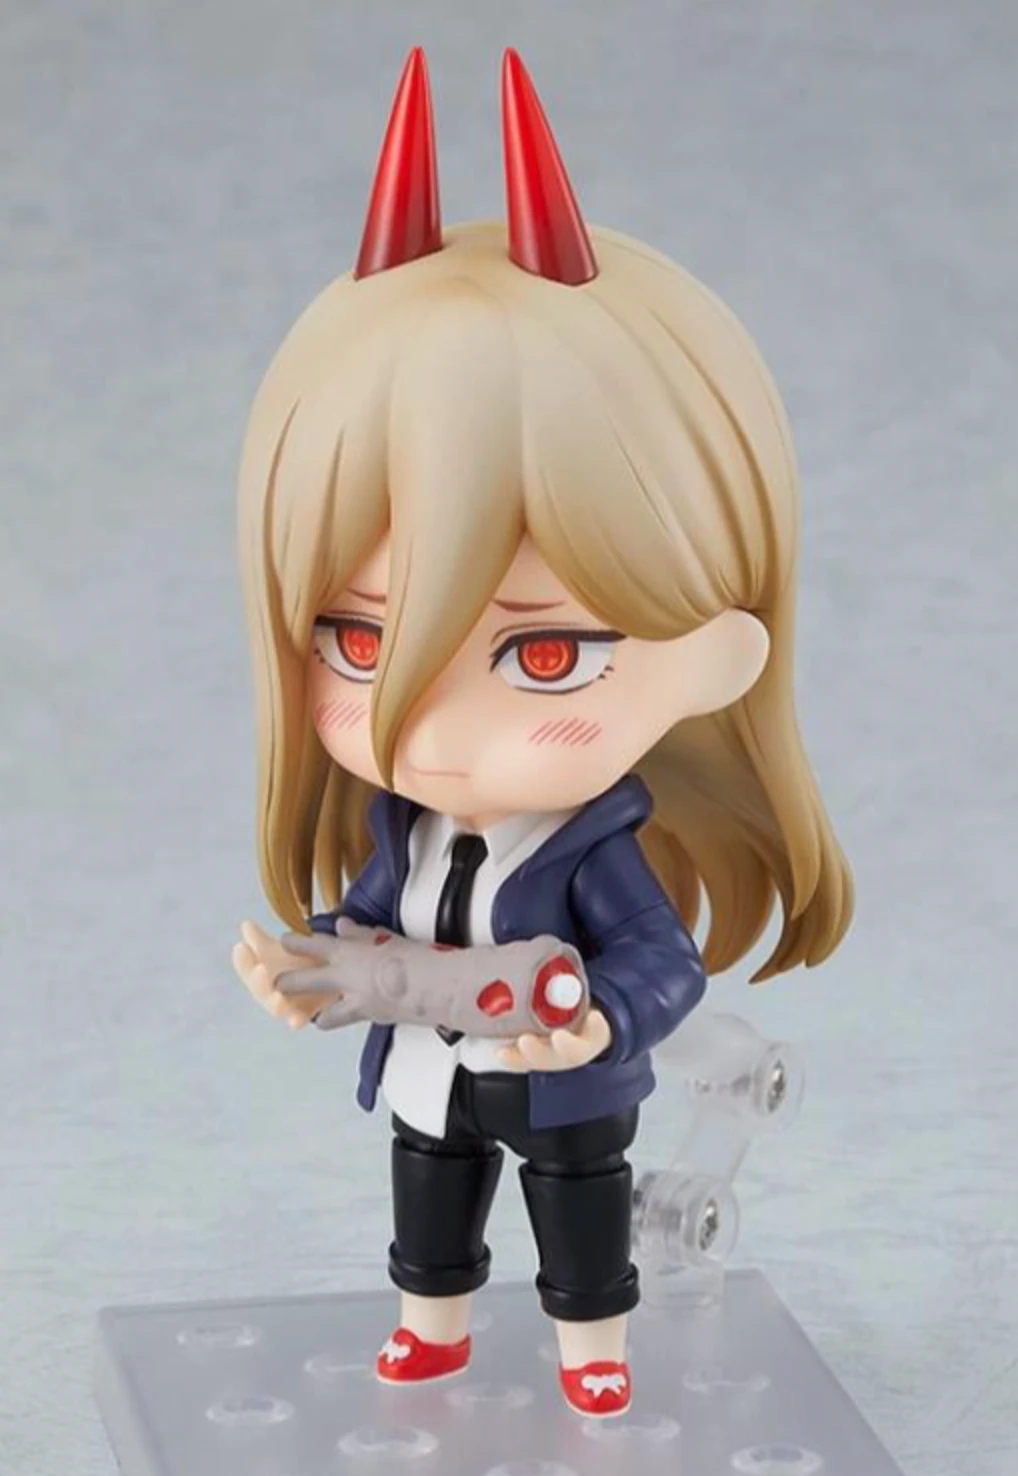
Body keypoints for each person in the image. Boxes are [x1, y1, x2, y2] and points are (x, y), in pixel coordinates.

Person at [231, 47, 853, 1418]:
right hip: (430, 1072)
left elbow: (660, 961)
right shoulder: (404, 823)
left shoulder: (592, 848)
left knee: (579, 1215)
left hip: (563, 1089)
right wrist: (317, 967)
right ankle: (432, 1326)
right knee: (429, 1192)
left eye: (544, 653)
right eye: (359, 642)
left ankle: (592, 1352)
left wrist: (598, 1024)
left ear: (717, 654)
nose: (430, 727)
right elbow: (375, 917)